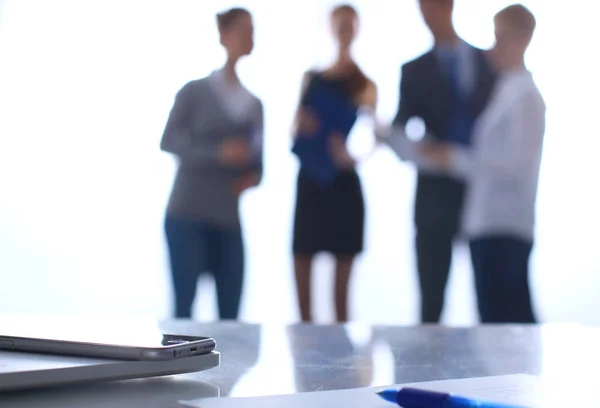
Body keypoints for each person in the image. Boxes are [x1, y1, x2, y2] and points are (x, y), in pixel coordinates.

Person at [421, 4, 544, 323]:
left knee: (510, 326)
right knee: (495, 325)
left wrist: (455, 159)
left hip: (505, 227)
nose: (494, 47)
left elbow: (514, 167)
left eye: (501, 38)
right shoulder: (503, 89)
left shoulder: (527, 96)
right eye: (494, 36)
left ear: (524, 40)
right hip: (486, 224)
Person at [384, 0, 496, 323]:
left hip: (481, 193)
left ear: (448, 6)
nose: (426, 15)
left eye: (431, 7)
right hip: (433, 197)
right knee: (431, 301)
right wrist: (419, 150)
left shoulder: (487, 61)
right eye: (421, 9)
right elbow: (398, 129)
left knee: (490, 298)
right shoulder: (414, 69)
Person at [160, 8, 263, 320]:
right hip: (187, 214)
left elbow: (259, 169)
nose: (249, 37)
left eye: (252, 30)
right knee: (183, 313)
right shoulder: (194, 91)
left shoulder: (254, 105)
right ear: (223, 35)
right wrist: (218, 153)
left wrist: (250, 175)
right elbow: (169, 141)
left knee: (231, 318)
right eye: (242, 30)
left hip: (227, 218)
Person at [292, 4, 377, 323]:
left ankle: (340, 367)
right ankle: (305, 365)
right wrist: (305, 125)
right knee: (303, 280)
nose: (344, 30)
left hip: (343, 185)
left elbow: (377, 136)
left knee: (342, 301)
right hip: (311, 182)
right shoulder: (311, 78)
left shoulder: (365, 84)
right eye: (339, 24)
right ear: (330, 27)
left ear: (356, 29)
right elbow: (294, 127)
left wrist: (352, 156)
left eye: (349, 25)